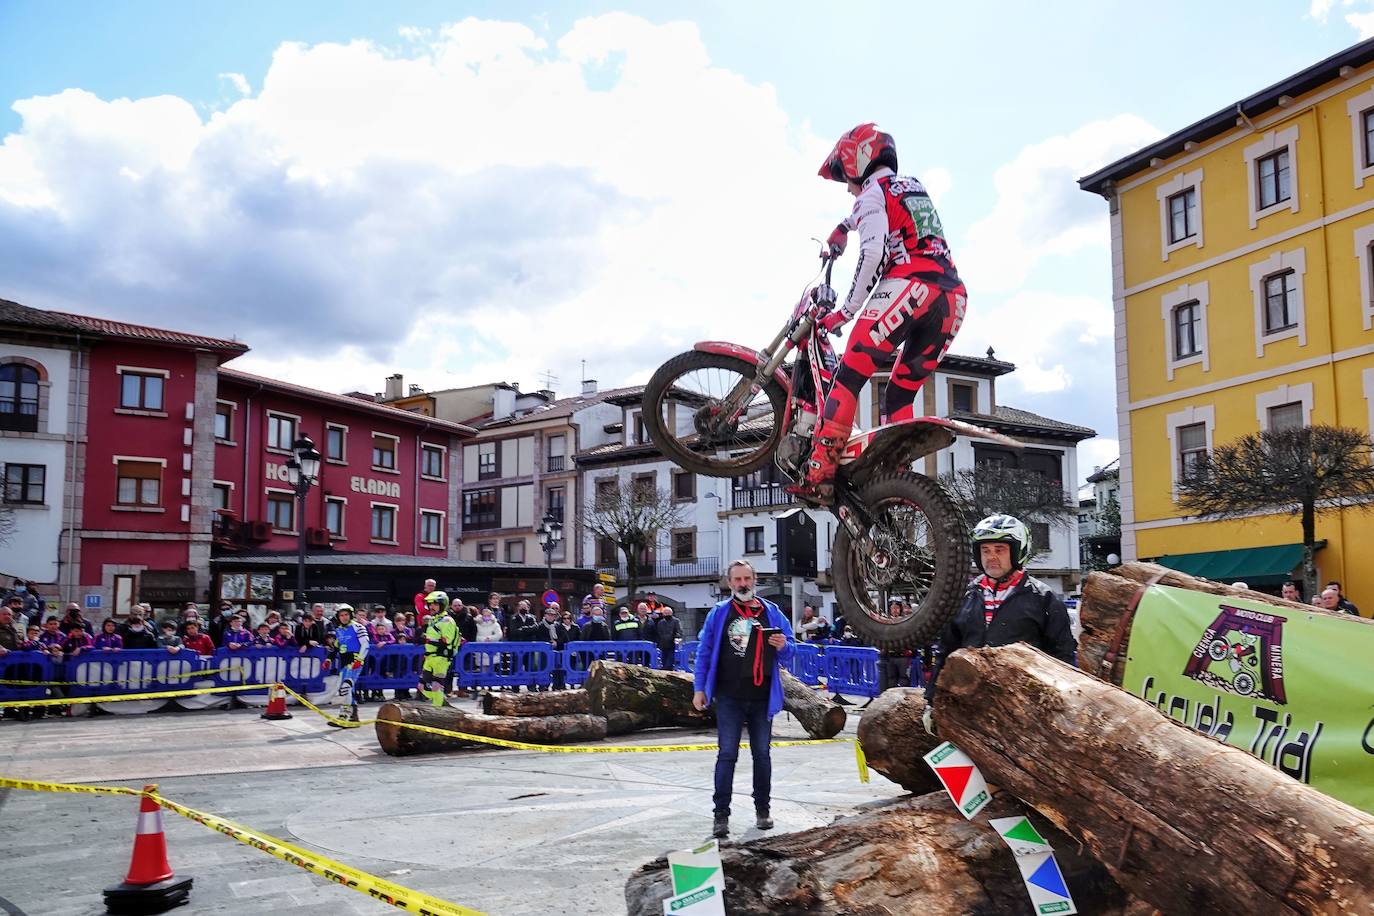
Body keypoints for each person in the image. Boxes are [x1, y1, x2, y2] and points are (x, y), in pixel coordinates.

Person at [791, 123, 966, 503]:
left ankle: (819, 471)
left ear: (858, 162)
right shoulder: (911, 186)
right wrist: (843, 226)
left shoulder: (870, 194)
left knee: (849, 373)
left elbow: (872, 254)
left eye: (845, 178)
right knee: (899, 395)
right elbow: (878, 211)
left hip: (910, 286)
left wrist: (844, 312)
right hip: (952, 299)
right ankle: (896, 486)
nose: (848, 187)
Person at [924, 514, 1077, 727]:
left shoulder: (1044, 599)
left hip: (1024, 716)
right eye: (985, 550)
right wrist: (931, 701)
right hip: (969, 710)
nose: (991, 557)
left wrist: (1062, 711)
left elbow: (1063, 660)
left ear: (1018, 551)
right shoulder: (963, 596)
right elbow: (945, 652)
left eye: (1000, 549)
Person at [693, 559, 795, 838]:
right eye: (737, 579)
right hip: (729, 697)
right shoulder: (719, 613)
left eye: (747, 578)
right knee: (727, 754)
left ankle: (763, 810)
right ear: (729, 583)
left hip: (762, 697)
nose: (742, 584)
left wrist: (784, 645)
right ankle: (720, 815)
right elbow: (704, 651)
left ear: (755, 580)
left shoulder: (771, 612)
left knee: (762, 755)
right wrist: (699, 688)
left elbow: (790, 649)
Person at [329, 604, 370, 724]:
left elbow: (365, 645)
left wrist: (359, 660)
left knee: (346, 687)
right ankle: (353, 716)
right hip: (344, 663)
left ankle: (344, 716)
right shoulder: (339, 630)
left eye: (346, 614)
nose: (344, 617)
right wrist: (328, 660)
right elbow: (336, 647)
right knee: (349, 690)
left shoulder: (358, 627)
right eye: (341, 615)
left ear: (351, 615)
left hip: (355, 661)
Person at [419, 591, 459, 707]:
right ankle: (441, 701)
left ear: (442, 605)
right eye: (430, 604)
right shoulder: (433, 620)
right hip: (429, 657)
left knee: (436, 686)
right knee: (421, 686)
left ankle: (438, 709)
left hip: (441, 658)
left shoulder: (447, 621)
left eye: (435, 604)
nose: (431, 606)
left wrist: (429, 640)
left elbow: (447, 640)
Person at [650, 604, 683, 670]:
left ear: (671, 613)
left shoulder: (676, 621)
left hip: (672, 645)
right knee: (663, 661)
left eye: (668, 613)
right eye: (665, 613)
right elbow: (658, 633)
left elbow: (679, 631)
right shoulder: (661, 622)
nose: (666, 614)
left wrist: (676, 638)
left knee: (669, 664)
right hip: (663, 645)